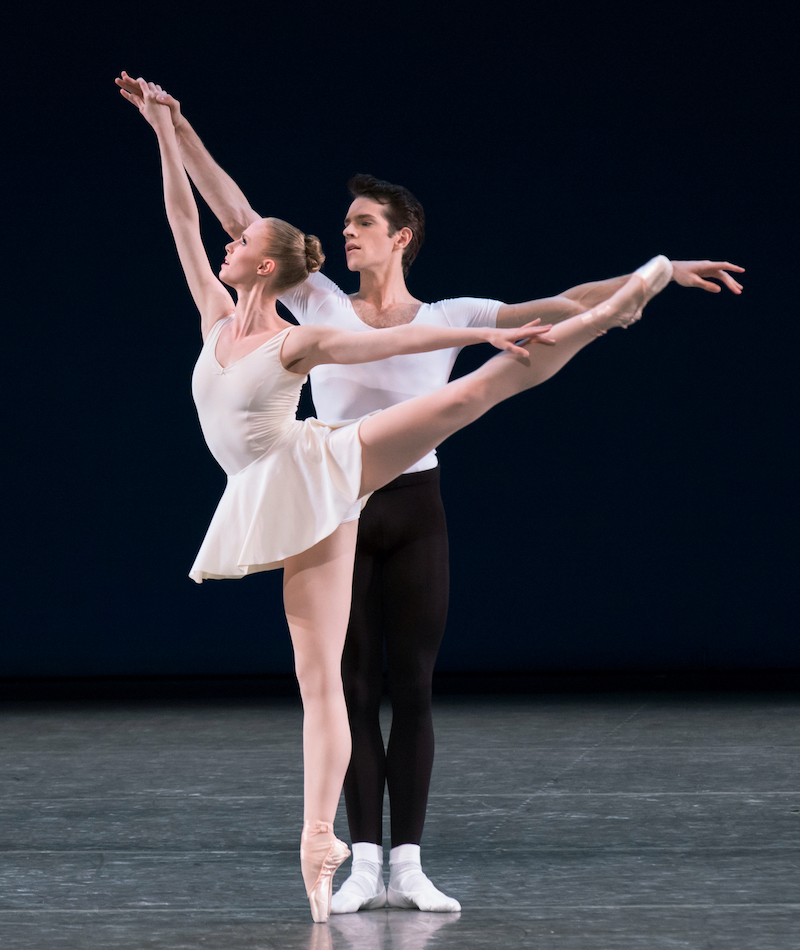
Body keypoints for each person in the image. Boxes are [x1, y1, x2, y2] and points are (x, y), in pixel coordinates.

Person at [117, 74, 743, 918]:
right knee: (345, 683)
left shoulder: (446, 308)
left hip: (408, 500)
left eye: (361, 225)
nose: (345, 235)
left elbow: (553, 307)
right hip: (328, 494)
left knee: (409, 679)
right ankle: (359, 858)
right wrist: (175, 128)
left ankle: (405, 860)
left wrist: (646, 283)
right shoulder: (315, 306)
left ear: (400, 237)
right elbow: (221, 220)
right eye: (341, 227)